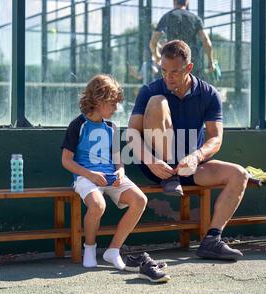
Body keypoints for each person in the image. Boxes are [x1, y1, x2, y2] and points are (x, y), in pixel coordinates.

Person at [127, 40, 248, 260]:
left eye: (174, 72)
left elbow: (216, 138)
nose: (168, 77)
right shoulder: (149, 90)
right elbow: (132, 133)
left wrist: (196, 157)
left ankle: (212, 240)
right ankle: (168, 177)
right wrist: (151, 161)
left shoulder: (209, 94)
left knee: (239, 174)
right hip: (158, 167)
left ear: (189, 68)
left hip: (190, 167)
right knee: (157, 102)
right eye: (164, 70)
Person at [61, 75, 165, 278]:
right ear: (98, 100)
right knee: (98, 205)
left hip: (112, 177)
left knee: (140, 200)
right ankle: (89, 247)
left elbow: (118, 159)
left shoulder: (112, 128)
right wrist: (90, 174)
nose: (116, 108)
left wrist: (121, 171)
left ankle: (113, 250)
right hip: (86, 177)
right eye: (112, 103)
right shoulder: (77, 125)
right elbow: (66, 161)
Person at [149, 0, 216, 79]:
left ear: (174, 2)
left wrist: (156, 55)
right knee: (194, 87)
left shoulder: (167, 16)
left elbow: (153, 42)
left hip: (172, 61)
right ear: (187, 3)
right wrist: (211, 62)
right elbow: (207, 42)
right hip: (191, 62)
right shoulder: (195, 18)